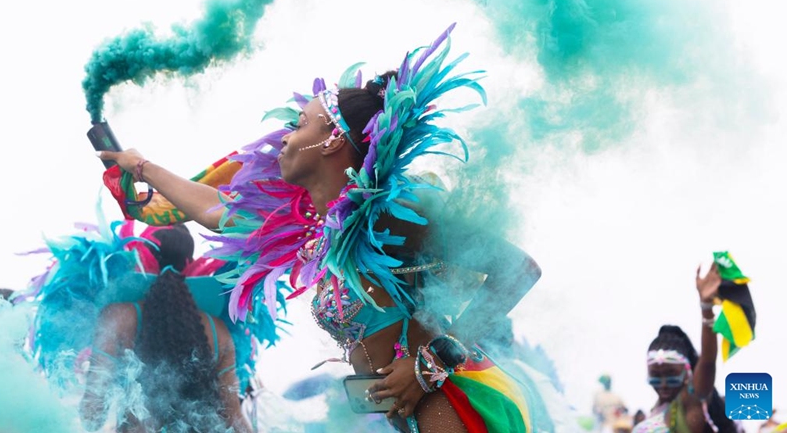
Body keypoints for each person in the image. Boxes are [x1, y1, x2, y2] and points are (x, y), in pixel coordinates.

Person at [98, 24, 545, 432]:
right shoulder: (315, 233)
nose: (285, 139)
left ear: (331, 139)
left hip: (449, 401)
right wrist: (141, 167)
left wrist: (432, 361)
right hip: (408, 415)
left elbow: (518, 269)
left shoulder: (394, 210)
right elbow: (216, 209)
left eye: (300, 125)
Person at [79, 224, 251, 433]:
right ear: (189, 266)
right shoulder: (219, 331)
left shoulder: (117, 318)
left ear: (142, 261)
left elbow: (92, 413)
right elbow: (233, 418)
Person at [632, 262, 737, 433]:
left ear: (688, 373)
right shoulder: (653, 414)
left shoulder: (689, 405)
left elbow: (708, 360)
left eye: (671, 374)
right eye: (656, 376)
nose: (664, 384)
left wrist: (706, 307)